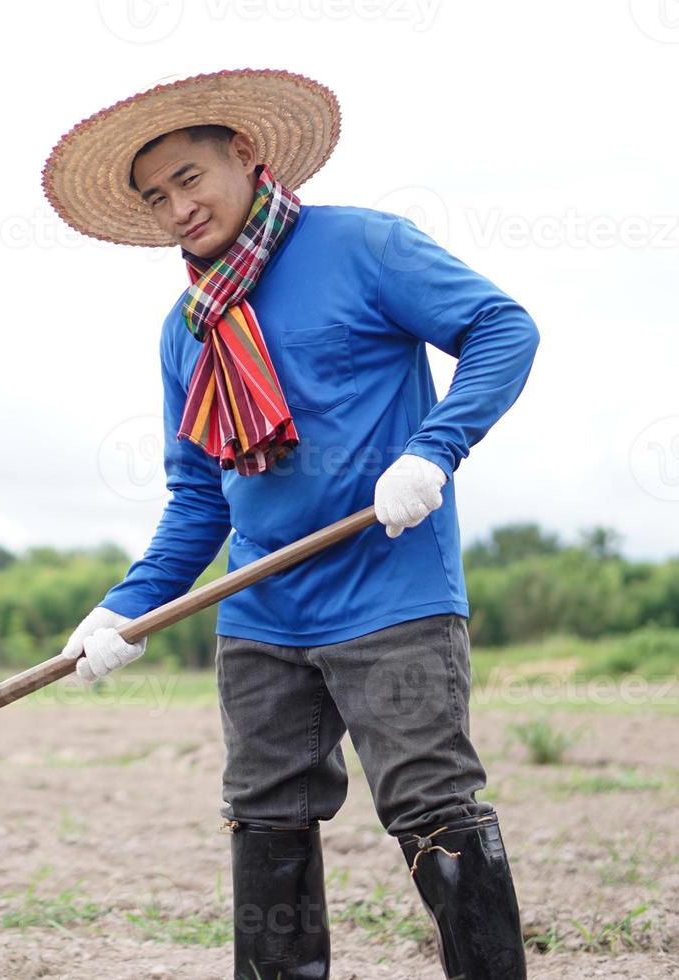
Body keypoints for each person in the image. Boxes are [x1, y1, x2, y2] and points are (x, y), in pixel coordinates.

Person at [42, 69, 538, 980]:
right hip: (261, 615)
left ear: (246, 154)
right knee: (265, 818)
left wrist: (434, 450)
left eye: (189, 178)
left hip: (392, 592)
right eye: (156, 198)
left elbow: (504, 328)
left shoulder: (361, 245)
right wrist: (123, 609)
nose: (178, 208)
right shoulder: (189, 328)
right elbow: (200, 496)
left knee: (434, 807)